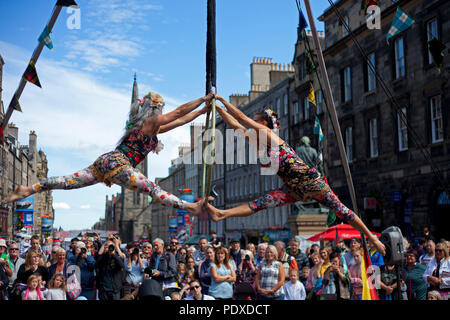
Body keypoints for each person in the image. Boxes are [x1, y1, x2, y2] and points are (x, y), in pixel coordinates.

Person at [204, 96, 386, 256]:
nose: (252, 120)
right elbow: (236, 126)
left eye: (256, 119)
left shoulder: (270, 135)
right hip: (293, 190)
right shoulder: (259, 142)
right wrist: (218, 109)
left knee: (343, 211)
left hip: (312, 183)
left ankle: (372, 238)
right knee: (261, 203)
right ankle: (221, 214)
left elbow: (241, 118)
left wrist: (222, 101)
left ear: (264, 124)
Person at [2, 93, 216, 218]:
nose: (162, 113)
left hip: (105, 161)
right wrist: (203, 99)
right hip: (120, 165)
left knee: (70, 181)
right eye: (160, 109)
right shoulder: (151, 122)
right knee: (153, 189)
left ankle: (30, 188)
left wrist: (201, 112)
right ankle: (190, 207)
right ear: (155, 109)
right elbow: (178, 113)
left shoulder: (148, 127)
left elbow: (179, 120)